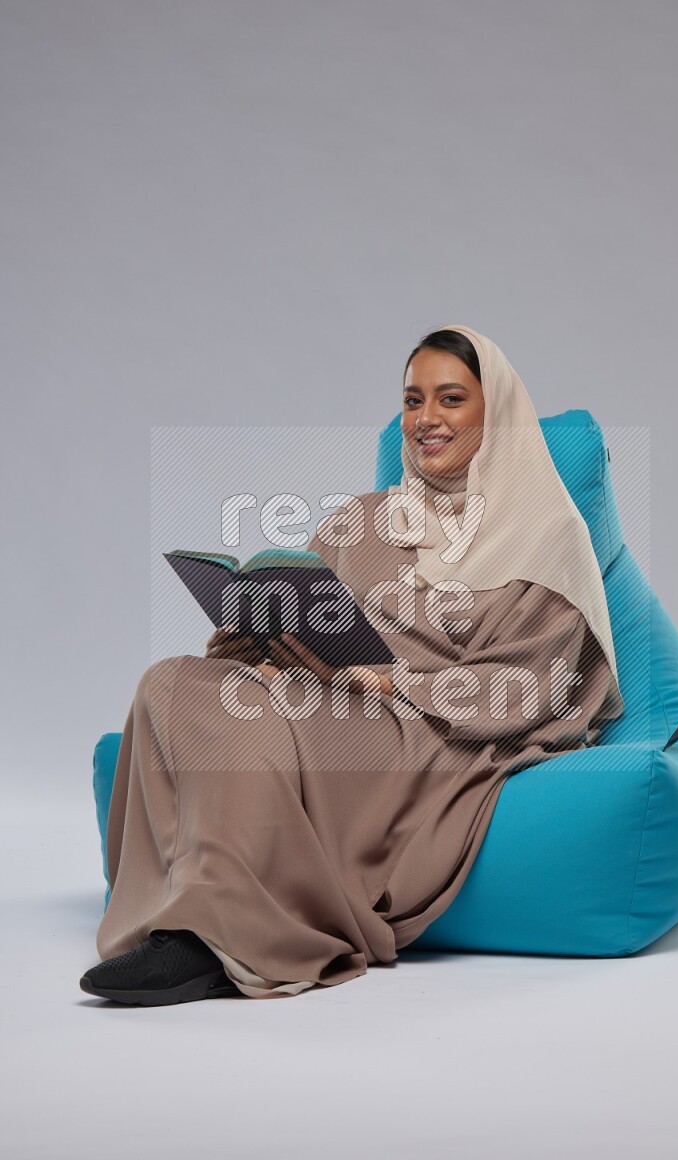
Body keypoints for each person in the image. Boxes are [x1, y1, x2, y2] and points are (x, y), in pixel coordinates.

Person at [79, 324, 624, 1005]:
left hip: (431, 729)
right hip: (330, 696)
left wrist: (392, 680)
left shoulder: (547, 533)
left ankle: (222, 938)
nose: (426, 418)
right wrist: (258, 641)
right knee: (170, 681)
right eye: (413, 400)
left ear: (498, 414)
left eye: (451, 398)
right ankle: (176, 912)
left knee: (250, 717)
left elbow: (532, 686)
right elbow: (307, 613)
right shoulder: (361, 521)